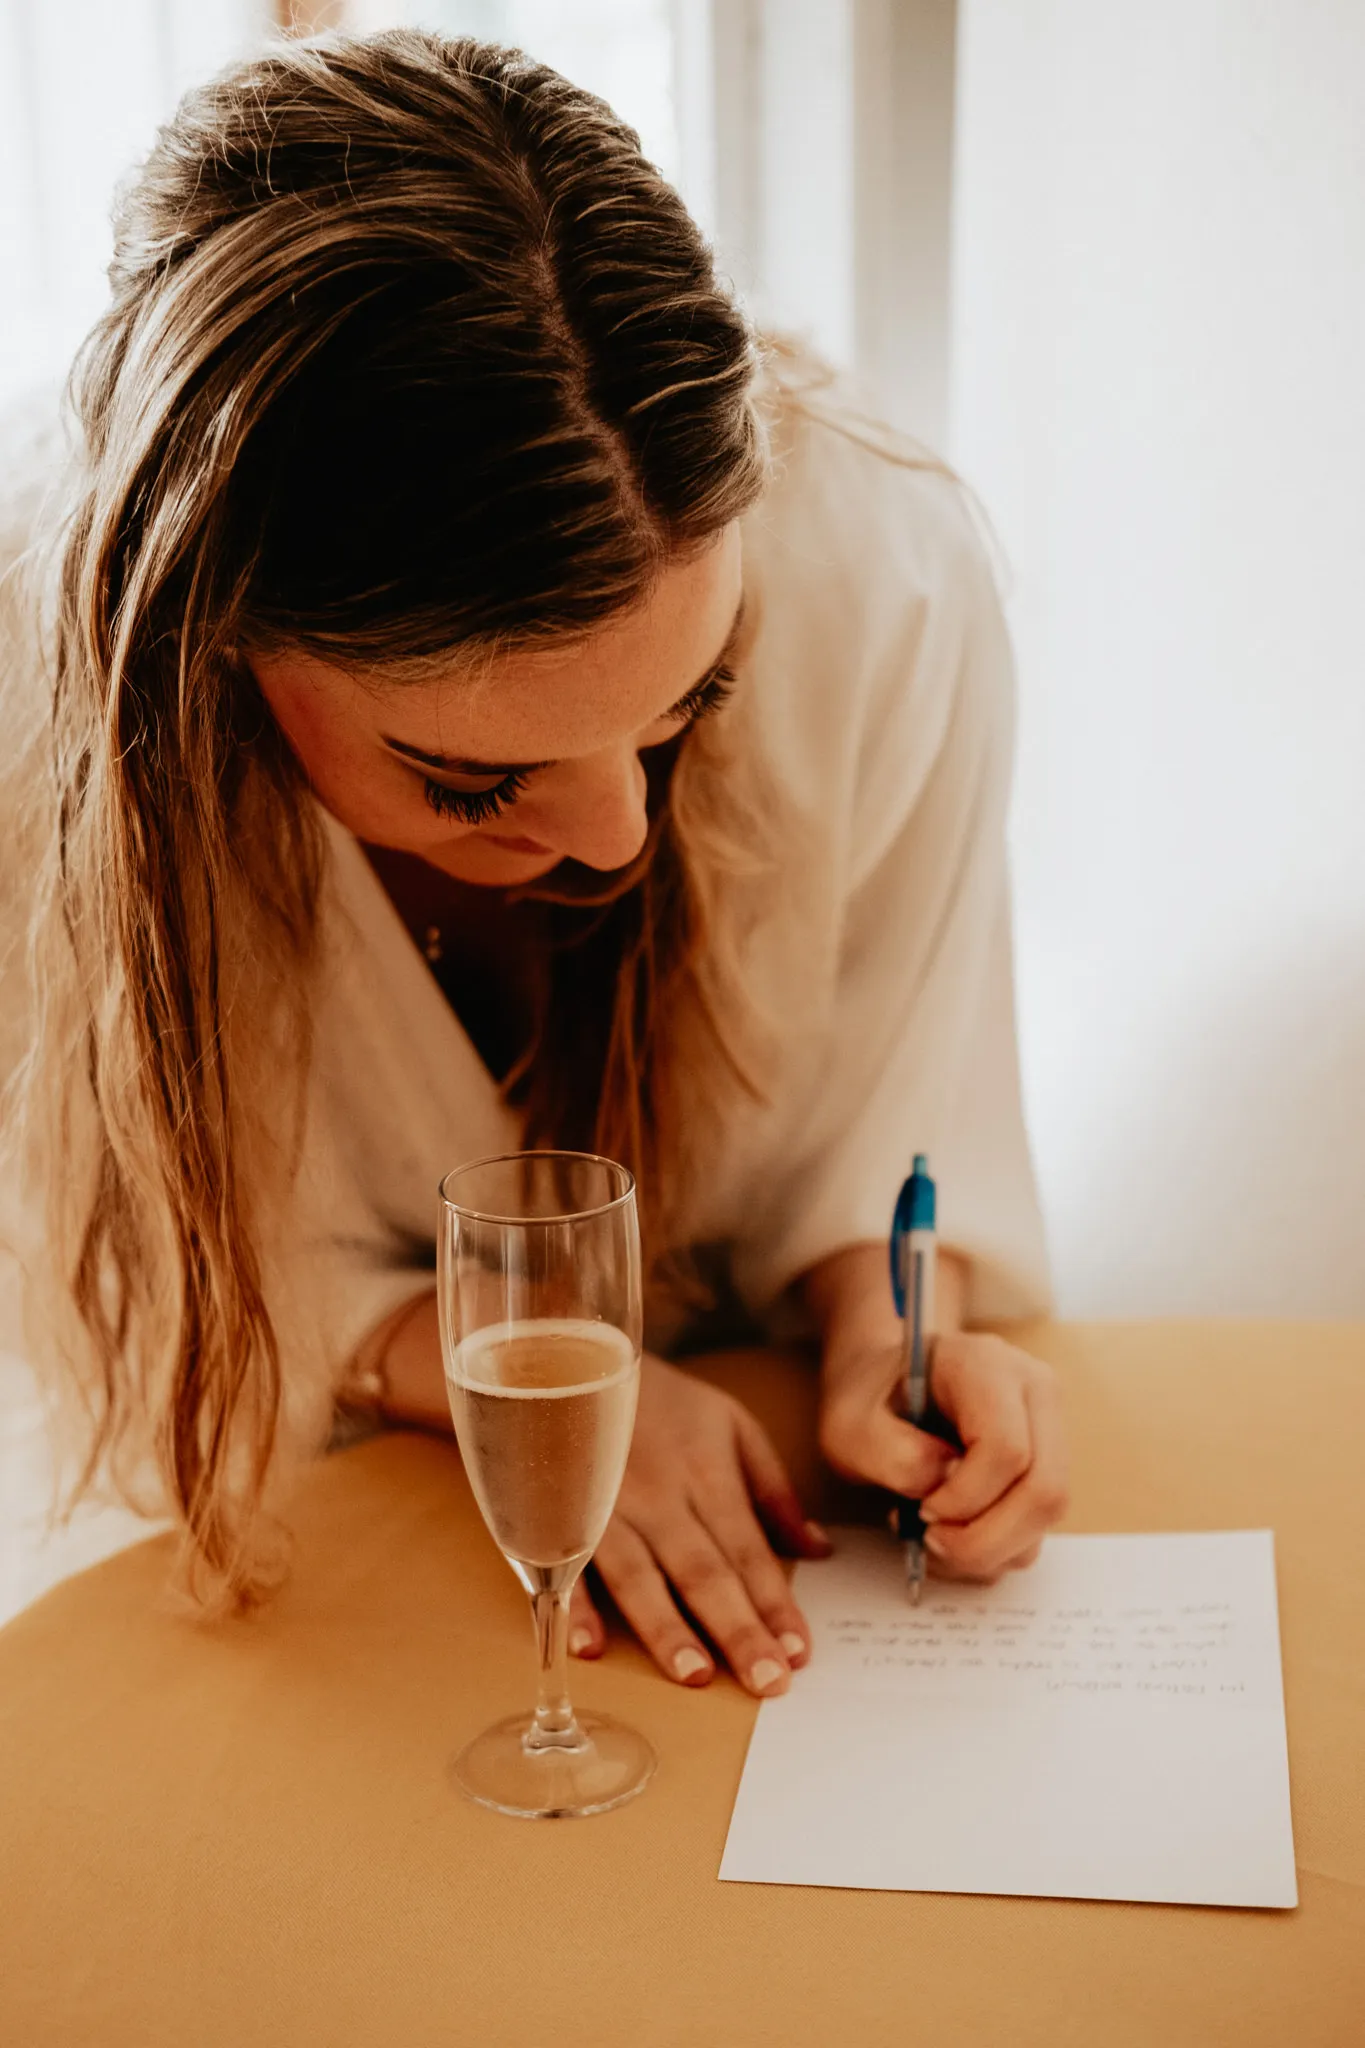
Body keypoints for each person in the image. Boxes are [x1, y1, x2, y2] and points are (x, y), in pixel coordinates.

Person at [0, 30, 1066, 1698]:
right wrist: (482, 1362)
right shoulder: (37, 683)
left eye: (686, 705)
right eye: (474, 777)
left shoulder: (886, 577)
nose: (619, 839)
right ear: (219, 651)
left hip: (778, 1559)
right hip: (274, 1562)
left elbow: (890, 1116)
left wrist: (890, 1325)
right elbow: (90, 1281)